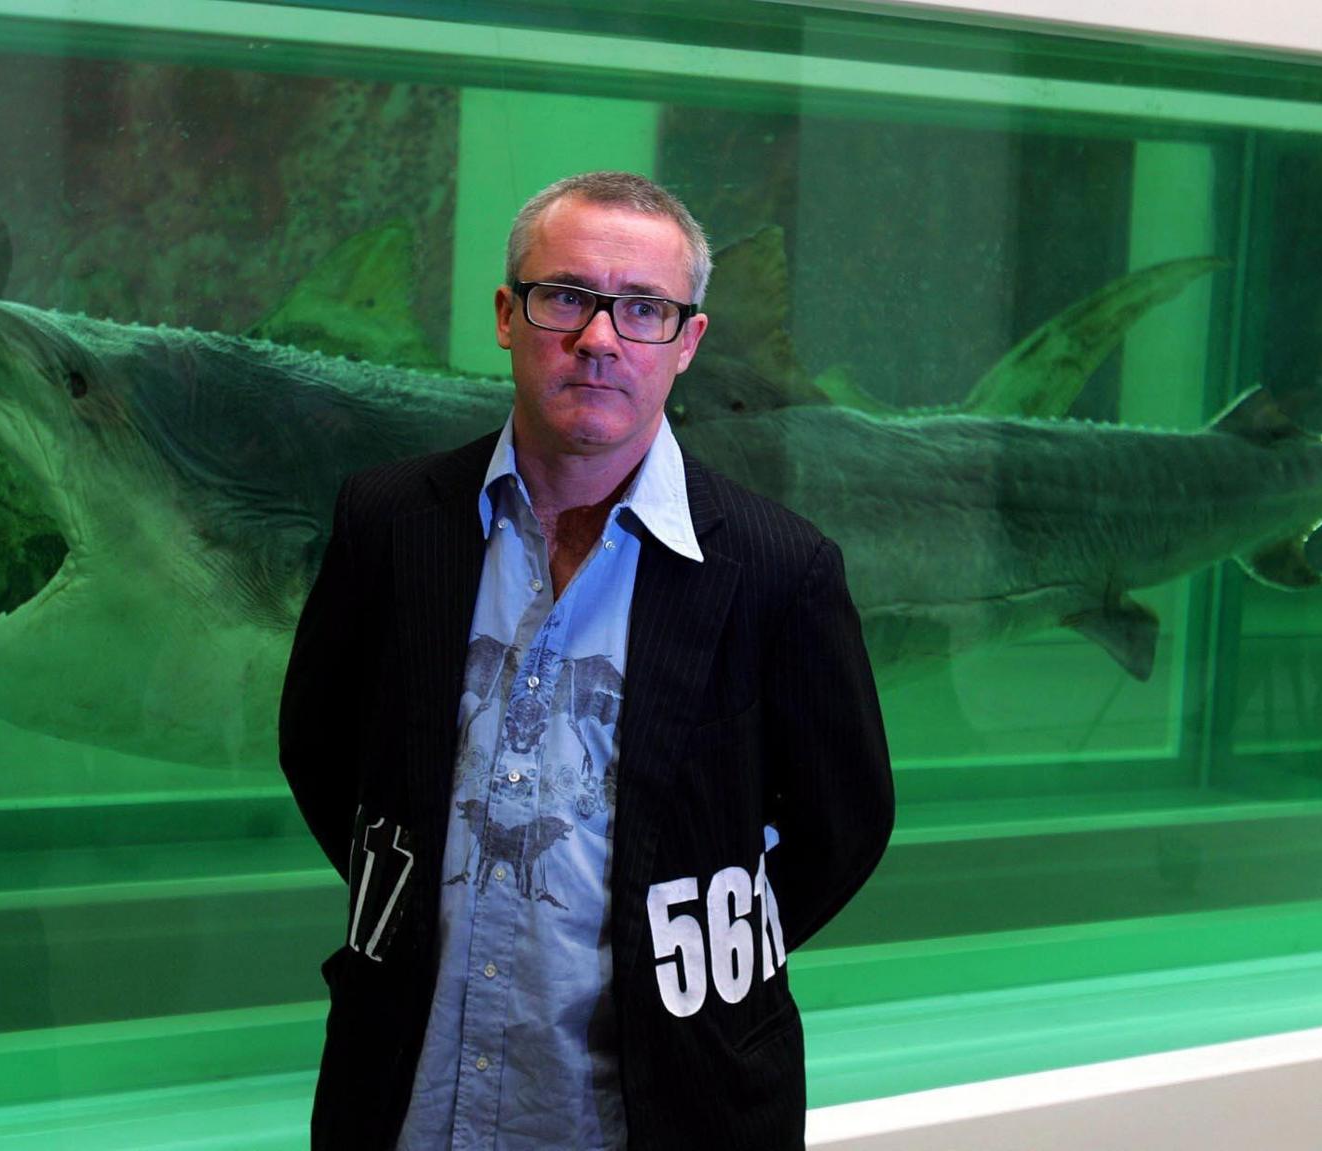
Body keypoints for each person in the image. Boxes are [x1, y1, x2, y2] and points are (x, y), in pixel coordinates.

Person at [279, 171, 895, 1149]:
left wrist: (691, 964)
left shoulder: (782, 569)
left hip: (676, 1098)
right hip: (404, 1085)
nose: (598, 339)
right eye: (564, 295)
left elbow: (844, 824)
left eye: (642, 309)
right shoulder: (386, 523)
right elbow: (319, 753)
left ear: (687, 343)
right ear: (505, 313)